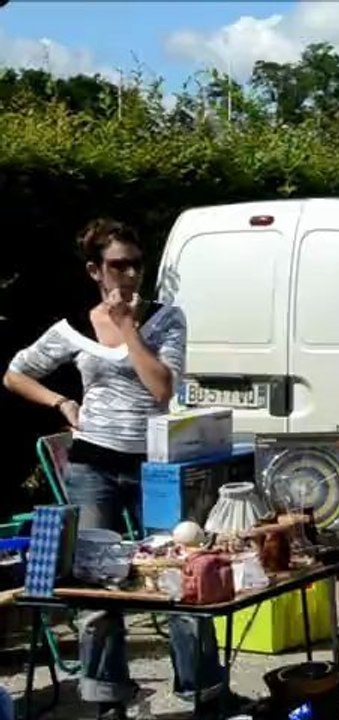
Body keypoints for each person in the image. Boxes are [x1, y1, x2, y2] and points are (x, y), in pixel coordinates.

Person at [3, 219, 222, 717]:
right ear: (94, 271)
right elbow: (14, 374)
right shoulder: (72, 329)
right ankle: (106, 699)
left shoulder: (166, 318)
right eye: (117, 265)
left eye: (136, 264)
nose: (129, 275)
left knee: (179, 574)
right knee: (96, 587)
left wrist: (128, 327)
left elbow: (163, 388)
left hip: (156, 463)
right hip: (94, 463)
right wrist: (61, 402)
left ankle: (202, 691)